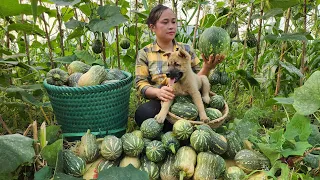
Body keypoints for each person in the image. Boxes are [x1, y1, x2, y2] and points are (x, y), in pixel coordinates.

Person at [134, 4, 225, 132]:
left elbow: (198, 77)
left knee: (202, 111)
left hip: (189, 99)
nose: (171, 26)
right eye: (165, 22)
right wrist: (157, 92)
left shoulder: (186, 49)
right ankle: (179, 128)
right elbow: (140, 83)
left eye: (174, 22)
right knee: (143, 113)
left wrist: (208, 67)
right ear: (152, 27)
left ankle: (185, 128)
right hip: (163, 99)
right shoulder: (145, 53)